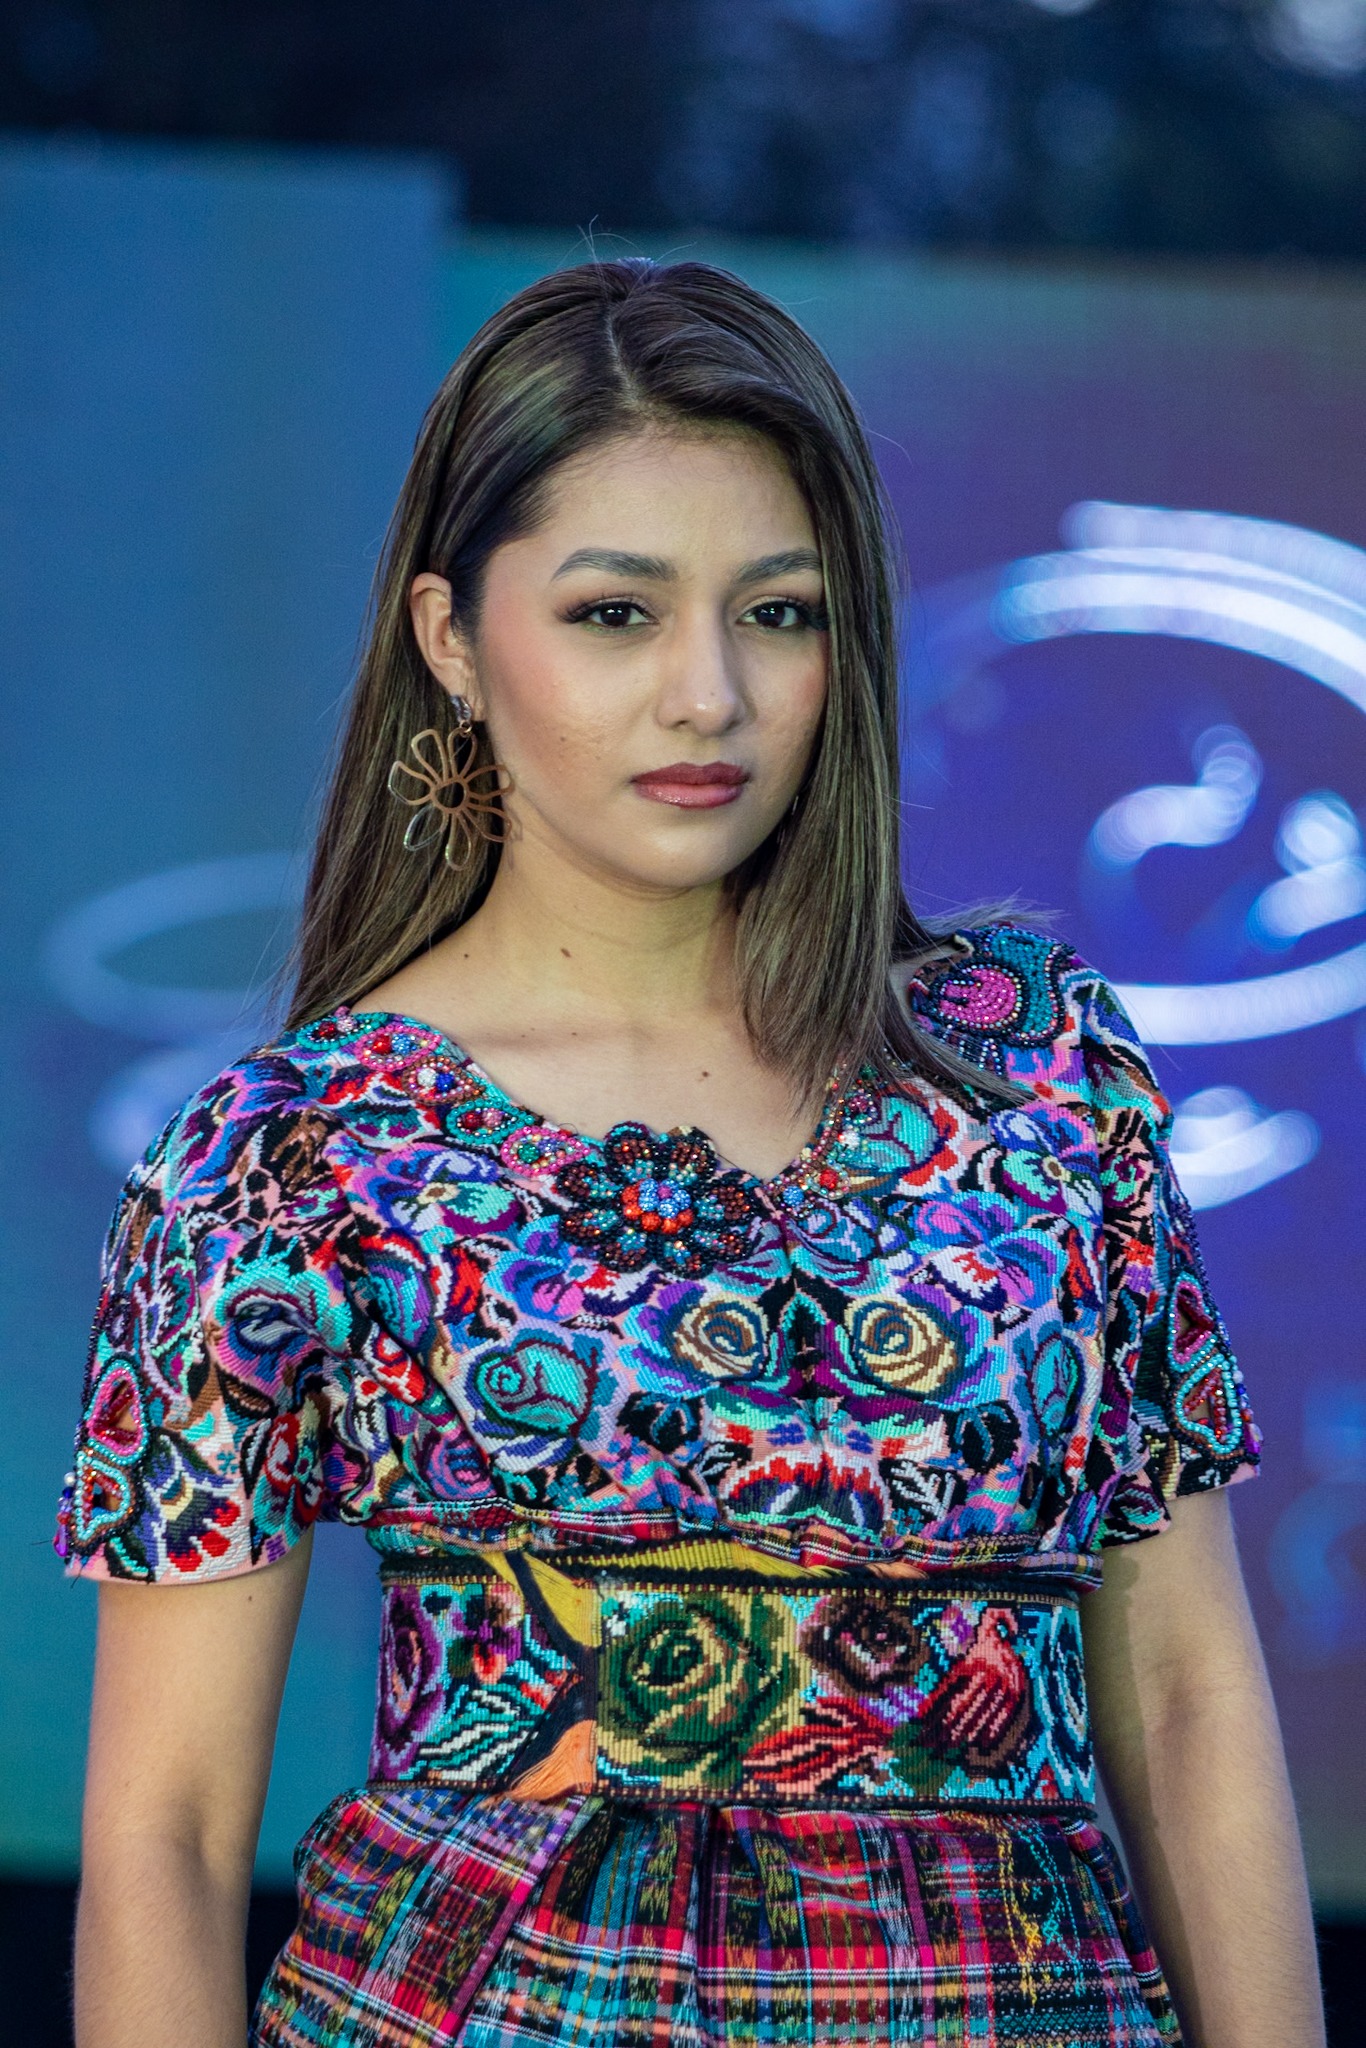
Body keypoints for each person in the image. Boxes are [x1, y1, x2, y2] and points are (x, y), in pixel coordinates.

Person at [58, 257, 1325, 2048]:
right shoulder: (291, 1156)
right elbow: (169, 1841)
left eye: (778, 613)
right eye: (613, 613)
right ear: (448, 638)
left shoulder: (1039, 1072)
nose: (707, 694)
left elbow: (1188, 1700)